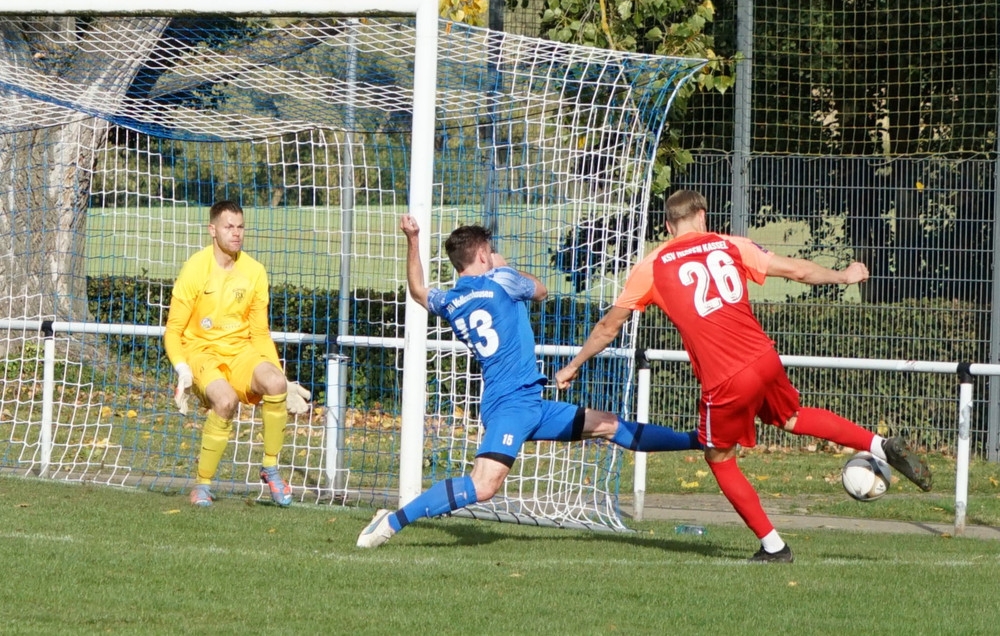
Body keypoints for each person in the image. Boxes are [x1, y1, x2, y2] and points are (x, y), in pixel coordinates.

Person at [555, 189, 932, 563]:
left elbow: (608, 327)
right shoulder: (731, 245)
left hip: (725, 377)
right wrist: (844, 275)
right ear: (702, 216)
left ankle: (774, 547)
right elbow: (798, 270)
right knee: (791, 417)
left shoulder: (652, 266)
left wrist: (573, 365)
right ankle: (880, 445)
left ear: (668, 226)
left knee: (719, 458)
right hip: (764, 357)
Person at [356, 214, 702, 548]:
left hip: (528, 403)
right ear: (482, 256)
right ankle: (391, 521)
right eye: (490, 250)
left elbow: (418, 291)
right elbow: (541, 290)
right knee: (483, 485)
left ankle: (699, 440)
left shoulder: (450, 300)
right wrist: (503, 265)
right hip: (511, 406)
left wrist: (413, 239)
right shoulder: (501, 280)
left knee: (608, 424)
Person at [164, 199, 310, 508]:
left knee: (274, 383)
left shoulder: (254, 271)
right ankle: (202, 485)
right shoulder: (195, 269)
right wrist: (182, 370)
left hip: (240, 352)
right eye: (229, 227)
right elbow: (173, 332)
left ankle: (270, 468)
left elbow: (260, 333)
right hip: (201, 352)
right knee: (226, 401)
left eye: (240, 226)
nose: (236, 233)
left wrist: (283, 379)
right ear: (212, 230)